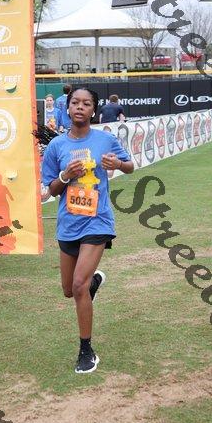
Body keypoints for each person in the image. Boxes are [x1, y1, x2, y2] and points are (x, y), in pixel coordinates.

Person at [42, 87, 134, 373]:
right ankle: (92, 284)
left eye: (86, 103)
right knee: (69, 290)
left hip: (97, 221)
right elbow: (51, 190)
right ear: (67, 108)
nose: (80, 107)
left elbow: (130, 166)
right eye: (75, 103)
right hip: (68, 223)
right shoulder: (56, 146)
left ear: (94, 110)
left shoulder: (105, 139)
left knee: (78, 286)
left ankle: (86, 350)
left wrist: (117, 163)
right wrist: (65, 175)